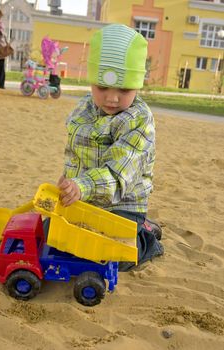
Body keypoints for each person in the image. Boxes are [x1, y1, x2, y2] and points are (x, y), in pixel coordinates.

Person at [56, 23, 164, 271]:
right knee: (56, 237)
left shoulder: (138, 120)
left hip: (122, 206)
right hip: (84, 199)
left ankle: (146, 236)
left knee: (115, 256)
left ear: (138, 85)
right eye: (102, 87)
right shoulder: (85, 108)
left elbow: (118, 174)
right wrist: (69, 181)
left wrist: (82, 186)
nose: (112, 98)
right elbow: (75, 150)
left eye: (124, 90)